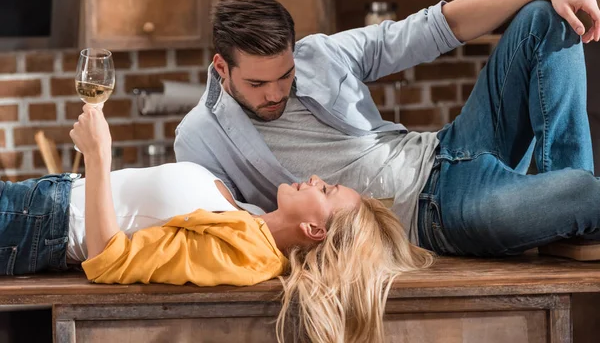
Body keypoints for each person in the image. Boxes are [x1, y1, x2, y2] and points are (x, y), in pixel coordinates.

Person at [174, 0, 600, 258]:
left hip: (449, 146)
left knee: (544, 15)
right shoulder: (199, 138)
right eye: (257, 84)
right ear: (222, 67)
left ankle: (567, 231)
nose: (275, 92)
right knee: (582, 192)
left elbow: (431, 28)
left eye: (285, 76)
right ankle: (569, 212)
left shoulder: (319, 54)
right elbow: (233, 233)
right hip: (431, 214)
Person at [0, 104, 433, 343]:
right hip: (36, 205)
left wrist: (98, 153)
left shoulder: (246, 256)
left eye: (326, 192)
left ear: (315, 232)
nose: (316, 179)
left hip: (34, 224)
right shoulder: (253, 222)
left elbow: (107, 260)